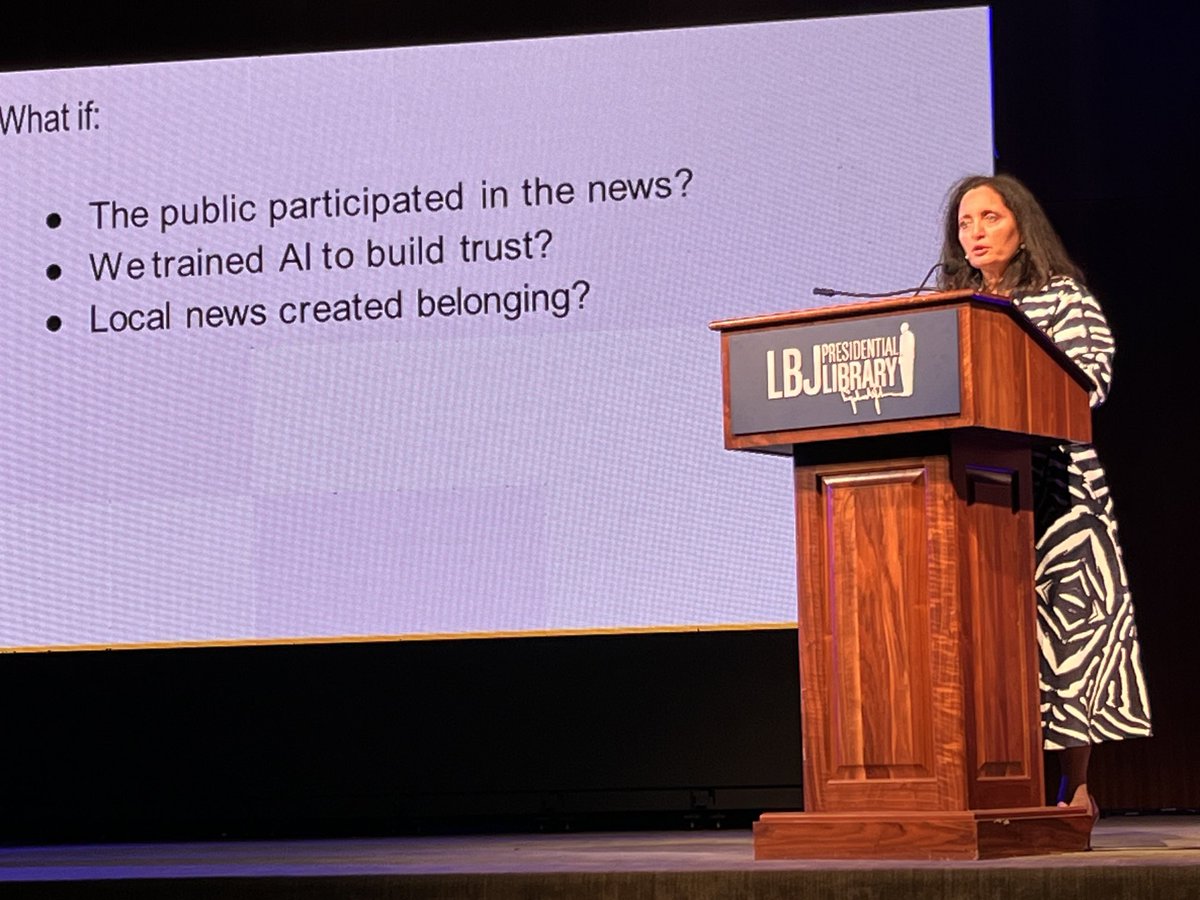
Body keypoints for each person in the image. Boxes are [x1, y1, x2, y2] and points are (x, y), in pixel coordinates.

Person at [937, 173, 1152, 817]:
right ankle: (985, 776)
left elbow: (1089, 383)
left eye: (988, 219)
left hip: (1060, 493)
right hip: (973, 488)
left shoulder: (1063, 298)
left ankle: (1076, 785)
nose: (973, 233)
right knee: (989, 636)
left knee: (1069, 634)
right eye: (964, 223)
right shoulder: (951, 307)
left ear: (1022, 226)